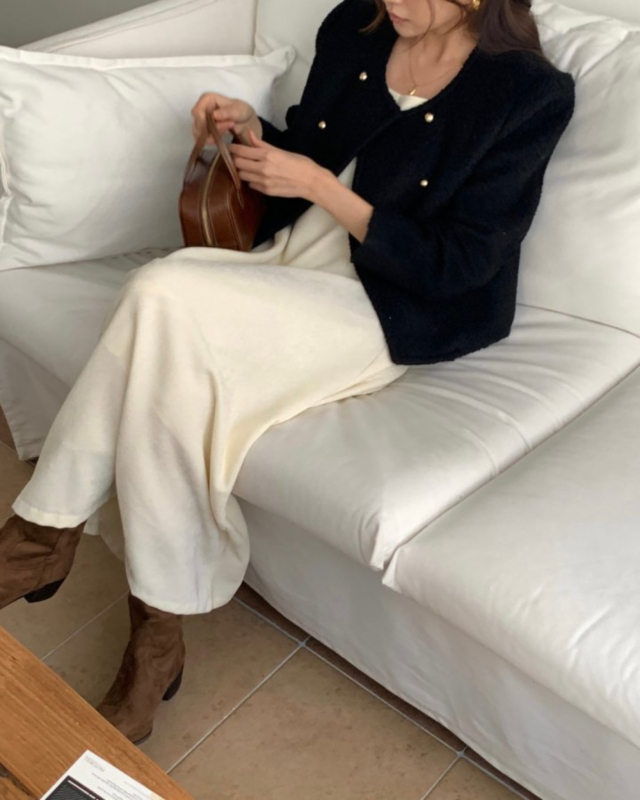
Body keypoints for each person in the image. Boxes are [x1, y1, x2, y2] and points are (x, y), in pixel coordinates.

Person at [0, 0, 575, 745]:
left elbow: (460, 265)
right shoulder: (356, 26)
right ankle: (153, 637)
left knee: (158, 291)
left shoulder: (528, 94)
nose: (392, 3)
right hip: (287, 264)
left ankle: (42, 540)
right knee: (169, 365)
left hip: (382, 306)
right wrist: (251, 133)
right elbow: (312, 147)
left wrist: (318, 185)